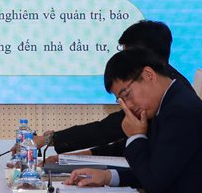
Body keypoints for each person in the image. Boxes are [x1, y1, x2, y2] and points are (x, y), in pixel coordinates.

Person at [66, 48, 202, 193]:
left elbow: (154, 182)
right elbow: (155, 169)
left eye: (126, 95)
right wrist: (107, 176)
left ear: (148, 75)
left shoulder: (181, 111)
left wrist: (136, 136)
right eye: (121, 100)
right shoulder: (170, 103)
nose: (128, 105)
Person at [38, 20, 189, 155]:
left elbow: (106, 130)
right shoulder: (169, 85)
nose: (123, 62)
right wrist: (85, 155)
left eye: (128, 55)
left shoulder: (176, 104)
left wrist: (48, 139)